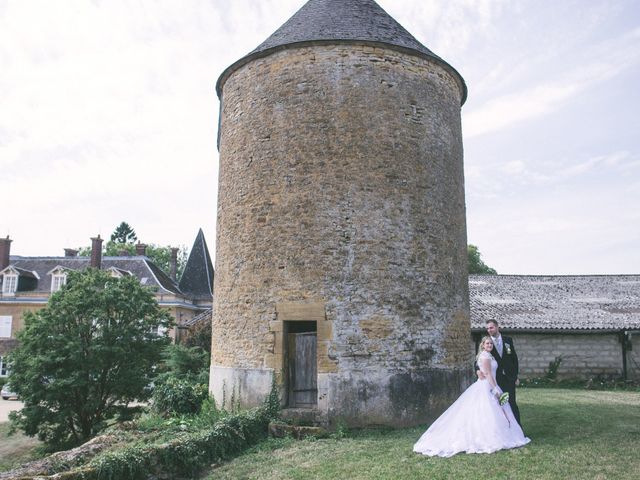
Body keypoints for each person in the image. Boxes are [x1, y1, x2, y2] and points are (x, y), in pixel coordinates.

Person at [413, 337, 529, 457]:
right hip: (487, 386)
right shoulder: (485, 356)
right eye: (487, 343)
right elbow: (488, 373)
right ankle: (486, 437)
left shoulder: (488, 355)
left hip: (490, 384)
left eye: (490, 343)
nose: (490, 345)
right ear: (482, 345)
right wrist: (495, 390)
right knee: (487, 411)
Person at [480, 319, 521, 425]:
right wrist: (477, 371)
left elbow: (514, 359)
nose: (489, 330)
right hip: (495, 379)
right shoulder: (487, 343)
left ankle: (517, 428)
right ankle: (504, 427)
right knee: (498, 405)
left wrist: (515, 375)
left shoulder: (508, 340)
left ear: (497, 327)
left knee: (511, 402)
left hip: (509, 378)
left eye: (491, 327)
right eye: (487, 328)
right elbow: (479, 360)